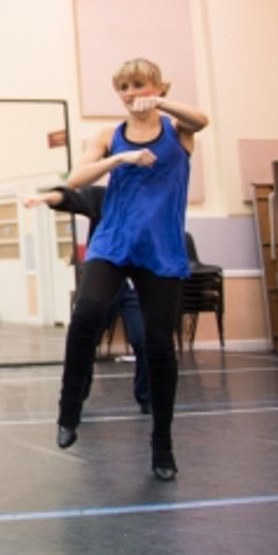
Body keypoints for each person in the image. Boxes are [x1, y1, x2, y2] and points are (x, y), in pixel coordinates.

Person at [54, 58, 203, 481]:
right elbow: (75, 177)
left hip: (160, 249)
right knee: (86, 314)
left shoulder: (179, 133)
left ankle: (162, 445)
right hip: (114, 243)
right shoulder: (108, 136)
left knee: (158, 345)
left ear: (157, 85)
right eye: (124, 86)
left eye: (139, 84)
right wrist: (119, 160)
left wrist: (164, 104)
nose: (131, 92)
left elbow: (203, 119)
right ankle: (68, 411)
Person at [23, 185, 150, 414]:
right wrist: (44, 197)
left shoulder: (151, 199)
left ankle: (147, 398)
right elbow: (73, 199)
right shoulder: (101, 196)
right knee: (86, 338)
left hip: (135, 281)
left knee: (143, 339)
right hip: (104, 281)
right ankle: (78, 397)